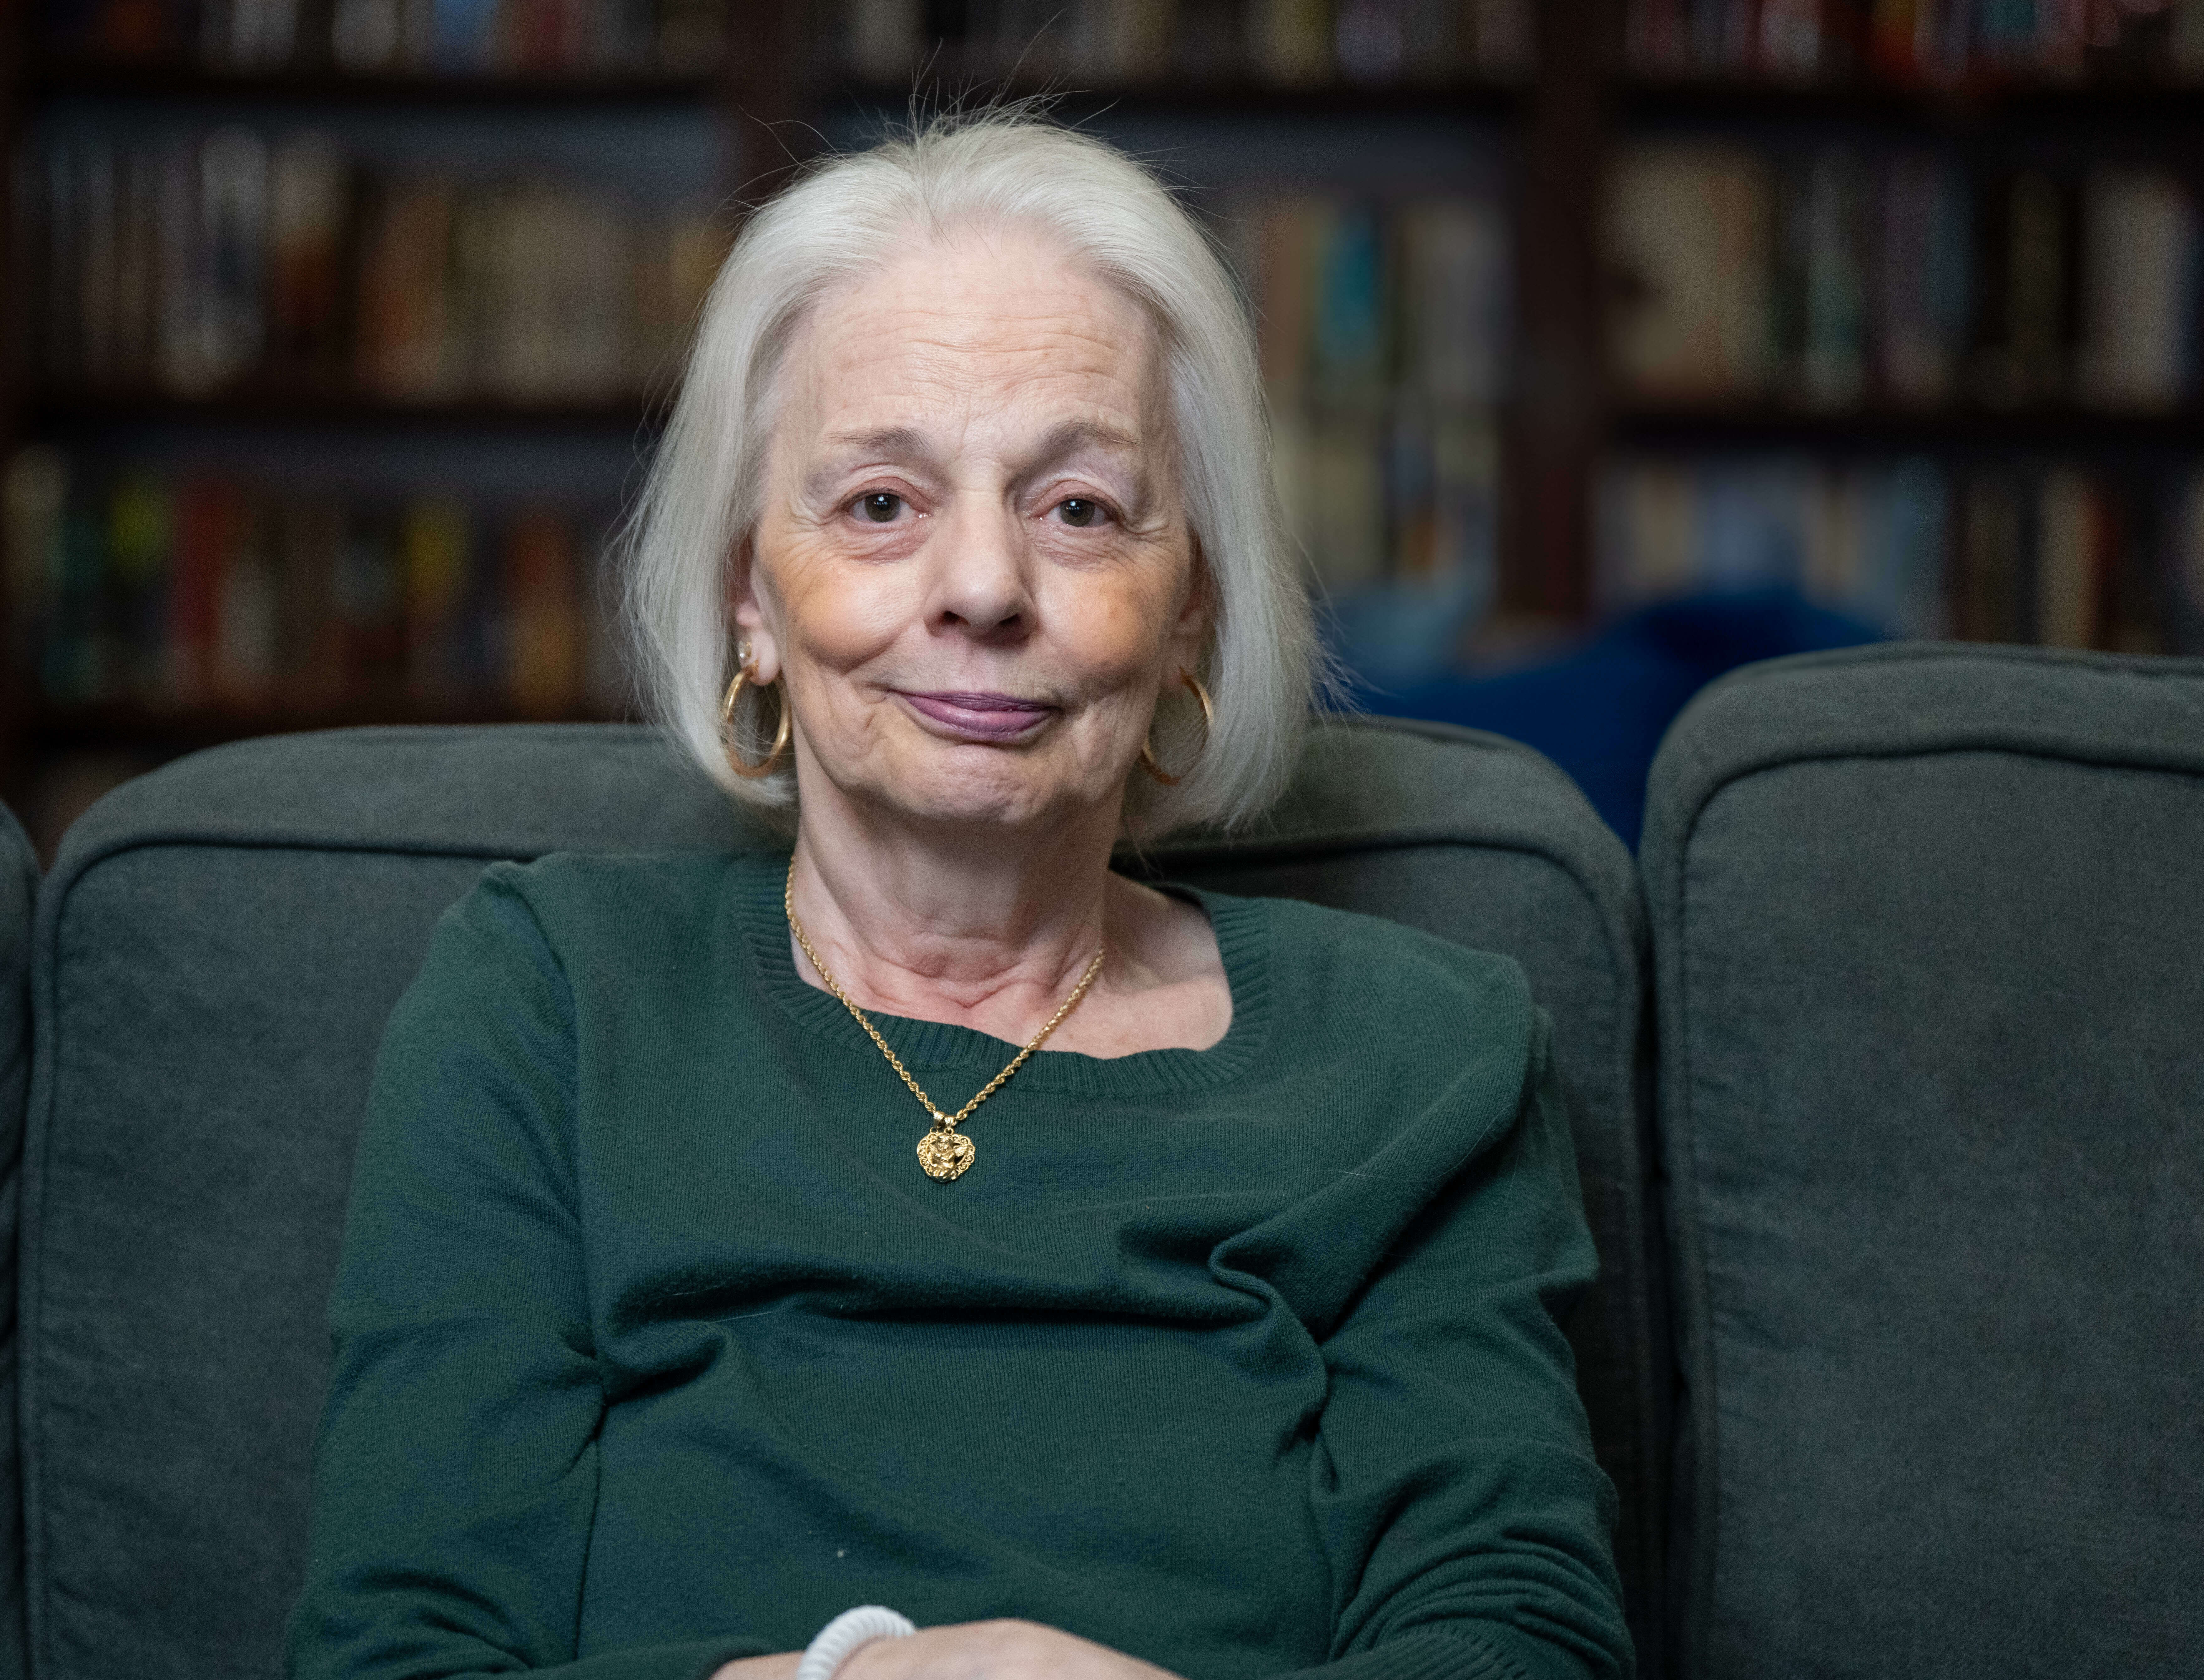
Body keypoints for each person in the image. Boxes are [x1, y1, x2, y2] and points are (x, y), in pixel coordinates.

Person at [285, 111, 1630, 1680]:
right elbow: (398, 1653)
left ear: (1190, 604)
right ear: (749, 599)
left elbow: (1518, 1641)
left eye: (1077, 508)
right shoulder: (552, 1004)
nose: (984, 587)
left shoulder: (1417, 1057)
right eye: (879, 503)